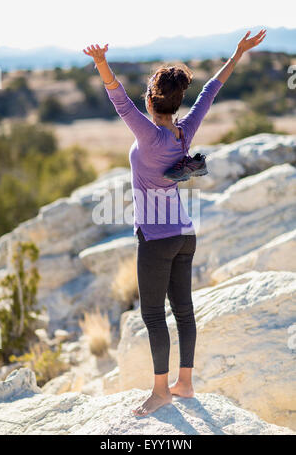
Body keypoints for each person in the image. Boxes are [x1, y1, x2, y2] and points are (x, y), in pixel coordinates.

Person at [83, 28, 266, 417]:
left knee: (152, 315)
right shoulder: (185, 132)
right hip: (185, 234)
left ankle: (161, 391)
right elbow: (210, 92)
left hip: (156, 237)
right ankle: (185, 382)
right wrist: (238, 53)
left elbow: (119, 101)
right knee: (183, 311)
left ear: (151, 100)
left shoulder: (147, 135)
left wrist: (101, 62)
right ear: (177, 101)